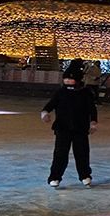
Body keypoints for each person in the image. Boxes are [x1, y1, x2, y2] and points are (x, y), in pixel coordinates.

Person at [40, 60, 98, 188]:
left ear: (77, 80)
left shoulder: (85, 93)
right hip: (62, 127)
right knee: (60, 153)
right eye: (65, 79)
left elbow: (92, 109)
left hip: (80, 128)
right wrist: (45, 112)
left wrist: (93, 122)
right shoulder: (61, 92)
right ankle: (55, 177)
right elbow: (51, 104)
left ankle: (85, 176)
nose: (67, 82)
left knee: (82, 153)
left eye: (70, 79)